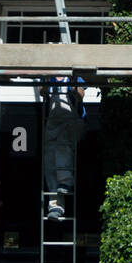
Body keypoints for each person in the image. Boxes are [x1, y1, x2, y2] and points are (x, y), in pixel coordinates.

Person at [43, 76, 85, 221]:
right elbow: (42, 92)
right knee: (49, 161)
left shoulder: (73, 76)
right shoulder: (49, 76)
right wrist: (46, 81)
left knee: (62, 146)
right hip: (53, 124)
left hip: (72, 122)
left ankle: (66, 182)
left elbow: (81, 95)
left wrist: (73, 85)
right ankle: (55, 206)